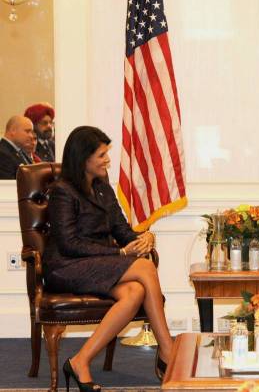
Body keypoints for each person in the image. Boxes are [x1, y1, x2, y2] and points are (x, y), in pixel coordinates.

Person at [43, 126, 173, 391]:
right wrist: (120, 253)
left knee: (135, 291)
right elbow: (69, 244)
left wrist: (145, 237)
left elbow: (122, 231)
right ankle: (168, 352)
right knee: (145, 268)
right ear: (83, 158)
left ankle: (80, 360)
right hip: (66, 266)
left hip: (97, 265)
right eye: (101, 155)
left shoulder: (103, 189)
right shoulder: (62, 191)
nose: (107, 160)